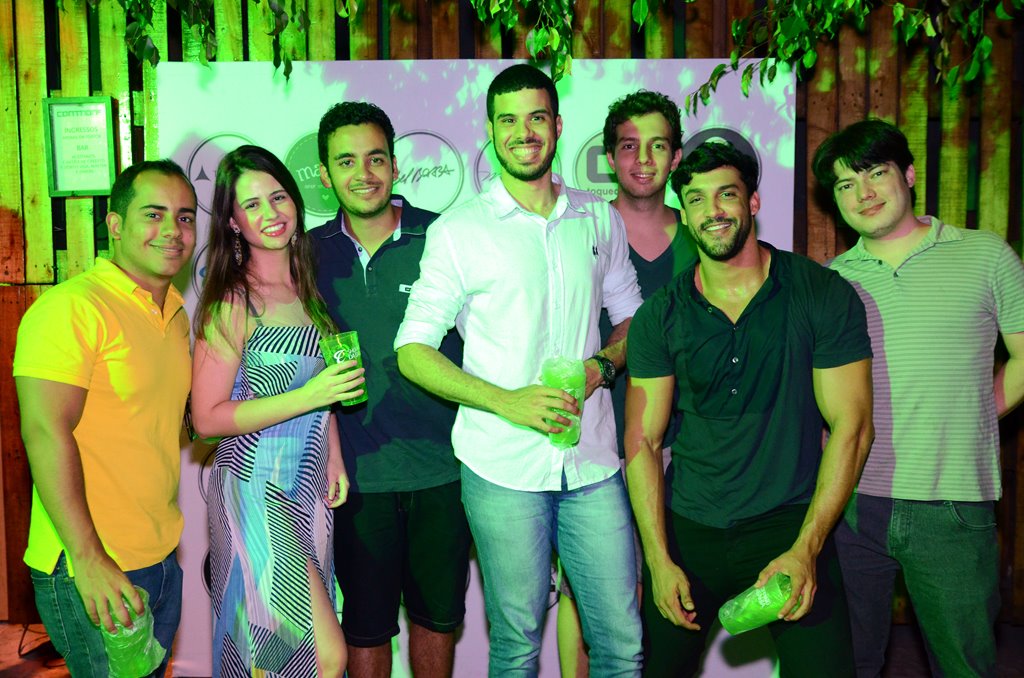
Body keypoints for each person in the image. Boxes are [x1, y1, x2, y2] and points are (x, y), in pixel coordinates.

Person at [394, 63, 645, 676]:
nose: (523, 132)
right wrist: (507, 402)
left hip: (591, 463)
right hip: (500, 468)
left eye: (536, 118)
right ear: (490, 131)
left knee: (622, 646)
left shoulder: (598, 218)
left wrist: (601, 367)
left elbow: (634, 321)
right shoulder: (459, 230)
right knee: (516, 646)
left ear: (557, 126)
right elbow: (413, 349)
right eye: (508, 120)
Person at [625, 140, 873, 677]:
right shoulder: (660, 315)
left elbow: (852, 426)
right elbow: (642, 441)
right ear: (684, 216)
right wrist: (658, 560)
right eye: (696, 199)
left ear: (753, 202)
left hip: (787, 524)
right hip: (689, 529)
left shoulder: (820, 293)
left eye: (727, 194)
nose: (712, 211)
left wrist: (807, 548)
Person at [813, 118, 1024, 677]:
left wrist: (979, 411)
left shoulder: (985, 255)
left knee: (964, 665)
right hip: (851, 502)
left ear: (907, 174)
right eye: (846, 184)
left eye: (876, 173)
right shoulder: (833, 279)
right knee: (848, 663)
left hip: (951, 502)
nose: (864, 193)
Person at [14, 160, 197, 676]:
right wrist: (89, 559)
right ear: (115, 224)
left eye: (184, 217)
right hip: (92, 568)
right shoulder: (72, 308)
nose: (172, 230)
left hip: (159, 555)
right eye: (153, 214)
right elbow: (45, 431)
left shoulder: (174, 312)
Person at [190, 145, 364, 677]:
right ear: (233, 222)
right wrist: (309, 398)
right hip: (255, 489)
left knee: (278, 653)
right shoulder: (233, 300)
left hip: (308, 487)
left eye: (279, 197)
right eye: (252, 205)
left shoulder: (308, 291)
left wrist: (333, 455)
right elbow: (207, 418)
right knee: (323, 654)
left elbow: (323, 392)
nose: (271, 213)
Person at [312, 101, 471, 678]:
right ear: (324, 174)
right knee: (365, 626)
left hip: (446, 470)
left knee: (437, 620)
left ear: (396, 166)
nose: (364, 173)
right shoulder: (306, 254)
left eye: (376, 158)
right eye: (346, 161)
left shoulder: (446, 235)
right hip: (355, 478)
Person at [556, 89, 697, 678]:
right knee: (584, 591)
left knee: (664, 586)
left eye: (658, 146)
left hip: (682, 445)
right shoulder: (578, 228)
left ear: (676, 156)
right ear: (610, 157)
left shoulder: (702, 236)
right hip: (596, 440)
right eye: (630, 146)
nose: (643, 160)